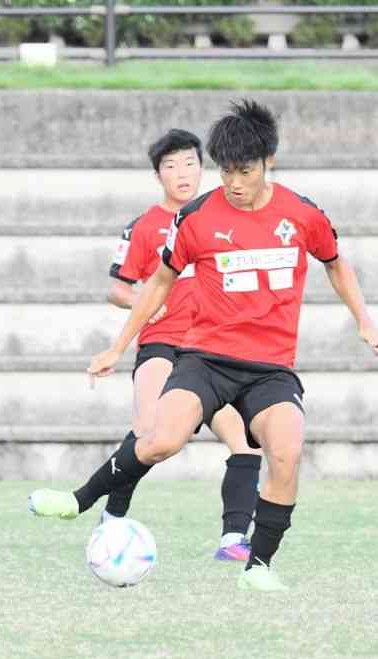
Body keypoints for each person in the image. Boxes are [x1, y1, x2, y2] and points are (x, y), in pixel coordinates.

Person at [29, 100, 378, 591]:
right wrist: (118, 347)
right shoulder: (197, 217)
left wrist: (364, 321)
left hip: (269, 369)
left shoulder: (302, 214)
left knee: (287, 453)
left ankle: (257, 566)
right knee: (160, 439)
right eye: (225, 172)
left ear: (269, 162)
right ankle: (79, 500)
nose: (234, 183)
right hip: (205, 360)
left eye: (245, 171)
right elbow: (157, 282)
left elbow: (335, 262)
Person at [104, 128, 261, 562]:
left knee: (245, 440)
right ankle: (112, 519)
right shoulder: (143, 227)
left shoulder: (224, 218)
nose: (182, 173)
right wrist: (143, 303)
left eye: (190, 163)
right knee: (148, 431)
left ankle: (234, 539)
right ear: (158, 175)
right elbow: (118, 288)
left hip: (213, 351)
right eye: (171, 166)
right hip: (162, 345)